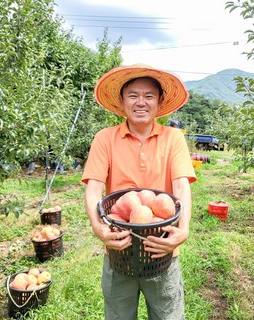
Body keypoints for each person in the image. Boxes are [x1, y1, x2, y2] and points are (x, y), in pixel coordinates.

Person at [81, 64, 196, 320]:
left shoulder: (173, 138)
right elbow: (94, 189)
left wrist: (184, 229)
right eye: (133, 95)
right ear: (122, 101)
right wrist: (98, 228)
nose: (140, 102)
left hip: (161, 248)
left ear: (159, 101)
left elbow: (181, 186)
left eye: (148, 96)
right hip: (119, 251)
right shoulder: (105, 138)